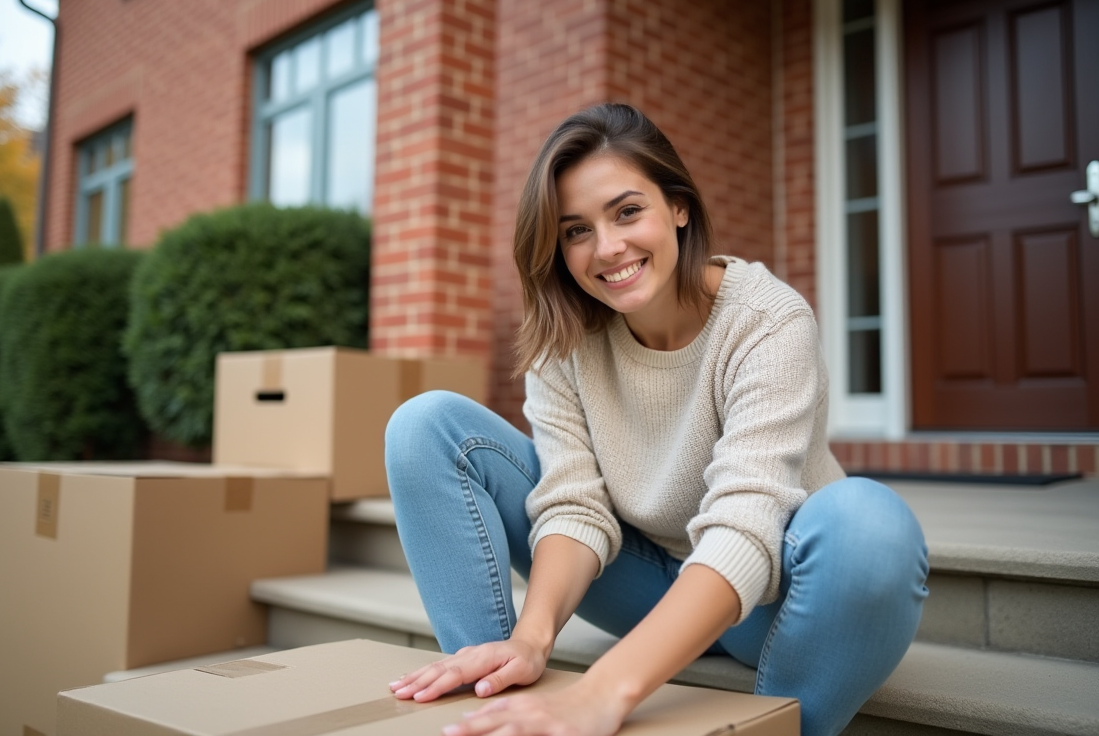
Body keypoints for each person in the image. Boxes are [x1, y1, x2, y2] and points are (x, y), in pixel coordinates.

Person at [385, 103, 928, 736]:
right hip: (640, 584)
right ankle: (491, 702)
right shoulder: (567, 336)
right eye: (575, 231)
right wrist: (533, 638)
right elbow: (572, 505)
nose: (607, 248)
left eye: (626, 211)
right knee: (425, 426)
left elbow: (746, 525)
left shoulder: (767, 321)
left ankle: (777, 728)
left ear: (679, 206)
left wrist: (603, 691)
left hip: (775, 602)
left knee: (870, 525)